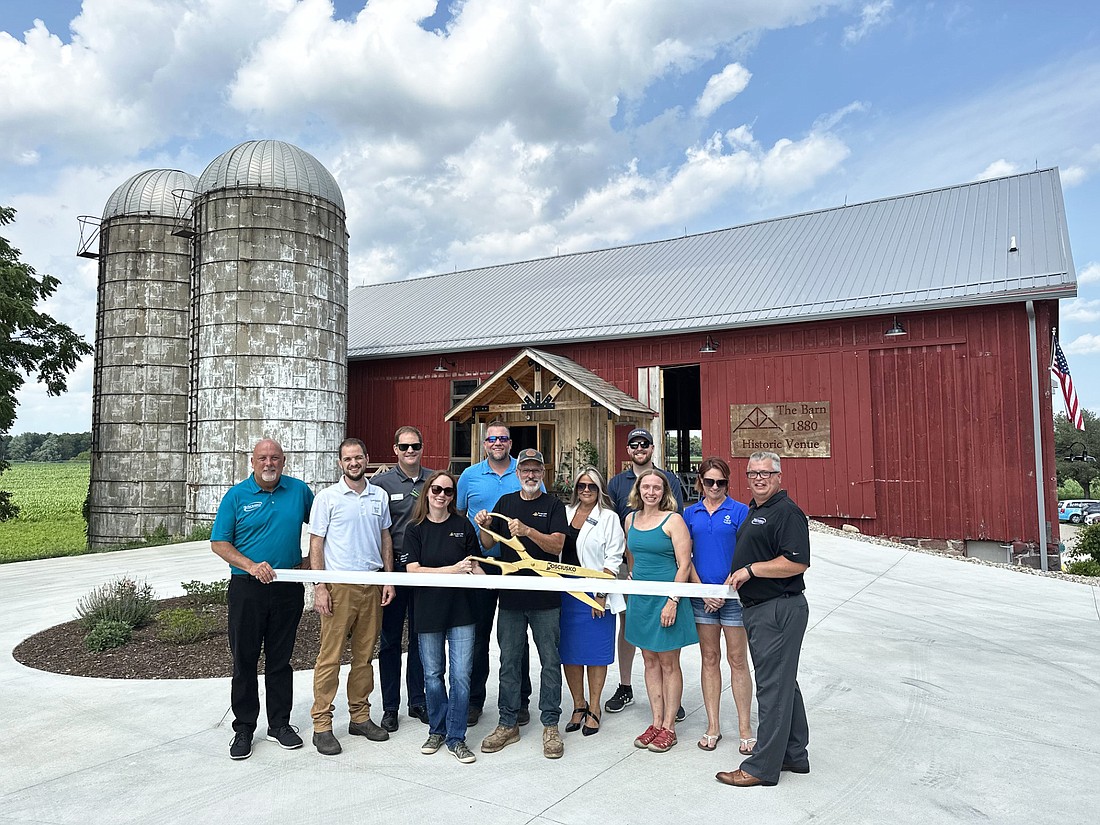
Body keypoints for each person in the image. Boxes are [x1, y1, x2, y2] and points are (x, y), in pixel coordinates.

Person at [211, 438, 314, 761]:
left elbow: (325, 526)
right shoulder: (236, 496)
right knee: (245, 660)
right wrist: (251, 566)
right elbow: (219, 543)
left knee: (280, 660)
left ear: (284, 461)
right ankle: (243, 728)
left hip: (287, 587)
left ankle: (279, 724)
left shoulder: (299, 491)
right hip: (247, 588)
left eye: (275, 458)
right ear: (252, 462)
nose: (269, 463)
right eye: (263, 458)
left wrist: (312, 560)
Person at [716, 451, 811, 788]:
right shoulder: (759, 509)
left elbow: (797, 562)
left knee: (771, 688)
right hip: (760, 608)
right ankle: (793, 754)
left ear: (779, 476)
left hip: (777, 608)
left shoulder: (787, 512)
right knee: (784, 683)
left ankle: (761, 767)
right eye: (753, 473)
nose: (758, 478)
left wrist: (751, 570)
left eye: (766, 473)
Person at [474, 448, 567, 759]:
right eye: (525, 470)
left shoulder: (553, 504)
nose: (530, 475)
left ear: (543, 473)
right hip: (511, 598)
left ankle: (550, 725)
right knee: (510, 662)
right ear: (517, 473)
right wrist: (484, 524)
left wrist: (527, 531)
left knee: (550, 663)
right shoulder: (506, 503)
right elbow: (489, 546)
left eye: (536, 470)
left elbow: (557, 546)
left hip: (546, 599)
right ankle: (508, 722)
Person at [307, 438, 396, 756]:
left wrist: (387, 577)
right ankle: (322, 725)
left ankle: (359, 717)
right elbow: (316, 543)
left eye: (359, 457)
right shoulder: (327, 498)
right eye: (348, 459)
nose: (354, 463)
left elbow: (385, 536)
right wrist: (319, 585)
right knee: (329, 658)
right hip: (338, 587)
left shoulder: (379, 496)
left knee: (364, 658)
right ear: (340, 463)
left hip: (371, 585)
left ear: (367, 459)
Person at [456, 420, 532, 726]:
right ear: (484, 444)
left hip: (517, 566)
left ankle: (520, 700)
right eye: (492, 439)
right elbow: (459, 519)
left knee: (516, 639)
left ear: (510, 443)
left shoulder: (524, 472)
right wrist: (465, 560)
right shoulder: (470, 476)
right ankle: (475, 701)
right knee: (478, 636)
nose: (497, 443)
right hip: (481, 565)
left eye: (502, 438)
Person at [605, 427, 684, 718]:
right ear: (628, 450)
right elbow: (611, 523)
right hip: (630, 563)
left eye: (645, 444)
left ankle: (669, 697)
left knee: (664, 633)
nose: (640, 448)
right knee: (629, 626)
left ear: (652, 448)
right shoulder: (617, 482)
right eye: (634, 444)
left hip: (662, 563)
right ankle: (625, 685)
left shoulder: (669, 479)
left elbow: (678, 526)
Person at [405, 470, 483, 764]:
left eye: (448, 491)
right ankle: (437, 730)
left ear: (453, 497)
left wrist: (484, 574)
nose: (441, 495)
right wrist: (453, 569)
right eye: (437, 489)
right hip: (428, 611)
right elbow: (413, 571)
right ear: (427, 492)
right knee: (433, 676)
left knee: (461, 676)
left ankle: (456, 737)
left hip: (462, 611)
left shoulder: (463, 525)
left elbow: (475, 565)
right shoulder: (415, 529)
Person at [624, 468, 697, 753]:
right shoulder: (630, 519)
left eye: (657, 488)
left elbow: (685, 564)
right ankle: (655, 722)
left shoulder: (674, 520)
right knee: (649, 660)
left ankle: (669, 727)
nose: (651, 492)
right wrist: (632, 577)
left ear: (664, 492)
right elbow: (632, 557)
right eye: (646, 487)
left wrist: (673, 600)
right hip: (641, 600)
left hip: (668, 599)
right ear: (638, 490)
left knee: (668, 663)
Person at [684, 457, 753, 753]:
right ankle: (713, 725)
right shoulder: (690, 513)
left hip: (734, 596)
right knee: (709, 659)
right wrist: (701, 590)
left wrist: (725, 588)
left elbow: (746, 552)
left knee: (737, 661)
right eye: (709, 481)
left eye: (720, 482)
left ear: (728, 483)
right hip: (704, 598)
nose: (714, 487)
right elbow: (684, 556)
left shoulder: (739, 511)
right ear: (700, 482)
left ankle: (745, 727)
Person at [373, 425, 434, 731]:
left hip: (424, 569)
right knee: (390, 641)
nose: (411, 451)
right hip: (393, 569)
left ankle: (418, 700)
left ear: (422, 448)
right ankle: (390, 706)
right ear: (395, 449)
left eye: (416, 446)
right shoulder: (380, 483)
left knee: (421, 639)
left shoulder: (434, 481)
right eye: (405, 446)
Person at [560, 467, 624, 737]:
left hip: (596, 594)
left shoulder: (608, 517)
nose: (586, 491)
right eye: (581, 486)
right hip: (565, 592)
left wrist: (601, 593)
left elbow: (614, 557)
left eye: (592, 487)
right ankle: (578, 704)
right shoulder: (563, 513)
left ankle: (595, 707)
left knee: (596, 653)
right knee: (570, 653)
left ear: (600, 490)